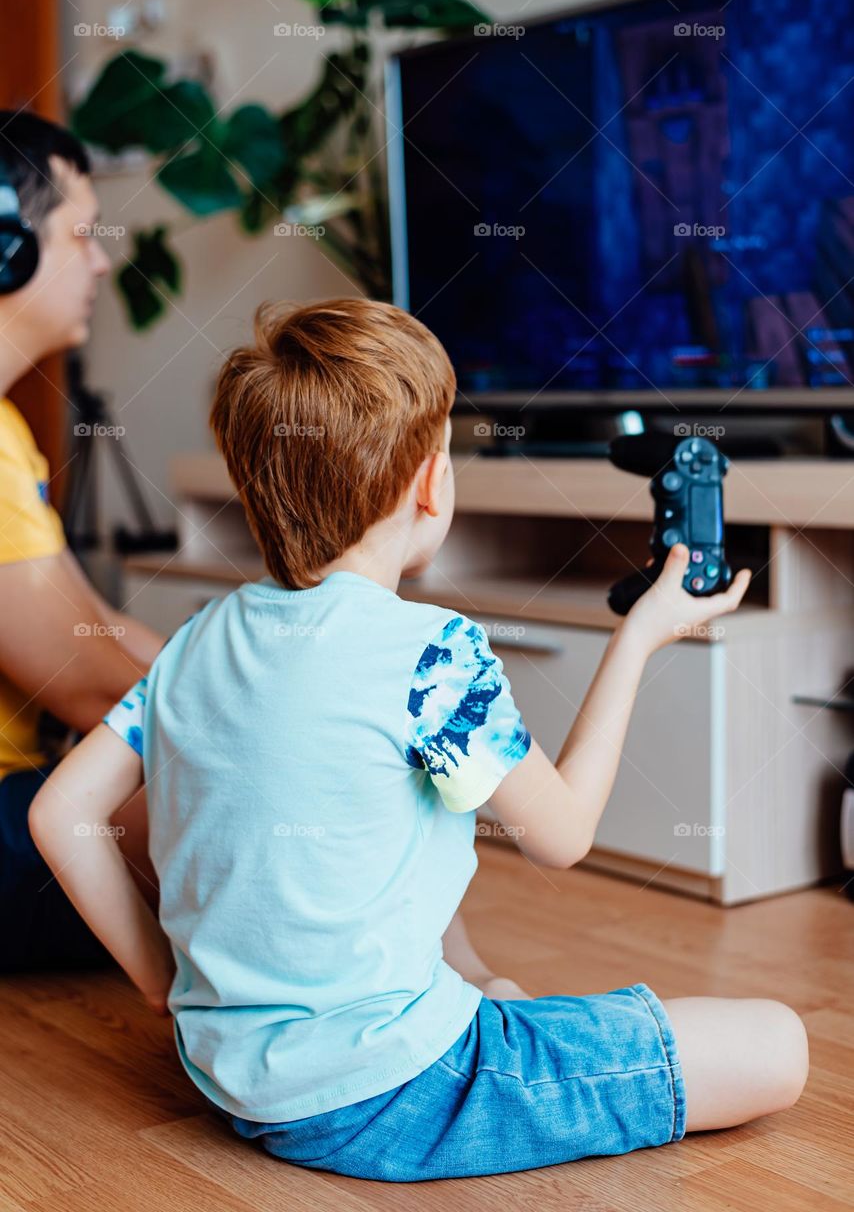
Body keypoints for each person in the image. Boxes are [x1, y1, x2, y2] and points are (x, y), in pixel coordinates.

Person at [29, 298, 808, 1181]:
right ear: (431, 484)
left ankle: (485, 1004)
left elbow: (61, 814)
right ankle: (495, 1041)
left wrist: (166, 994)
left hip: (229, 1078)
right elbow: (563, 836)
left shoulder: (201, 638)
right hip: (395, 1093)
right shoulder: (430, 655)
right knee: (778, 1046)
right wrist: (641, 636)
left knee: (405, 810)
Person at [0, 110, 163, 970]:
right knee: (246, 802)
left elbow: (88, 619)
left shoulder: (7, 431)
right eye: (83, 235)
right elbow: (81, 683)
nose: (102, 259)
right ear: (5, 247)